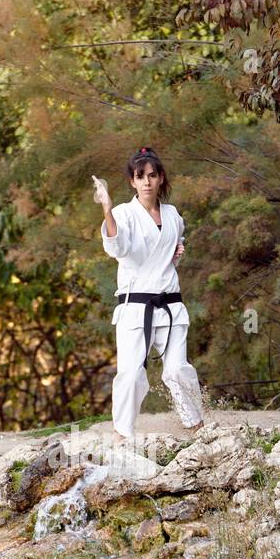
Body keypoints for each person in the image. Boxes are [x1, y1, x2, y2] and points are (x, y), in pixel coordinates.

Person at [92, 147, 205, 443]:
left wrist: (177, 251)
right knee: (129, 375)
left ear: (160, 178)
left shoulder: (172, 215)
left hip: (170, 304)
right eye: (140, 176)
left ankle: (195, 424)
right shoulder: (123, 213)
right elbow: (118, 247)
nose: (146, 182)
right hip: (135, 308)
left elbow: (173, 246)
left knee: (178, 368)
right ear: (132, 180)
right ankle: (122, 432)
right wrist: (106, 206)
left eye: (152, 176)